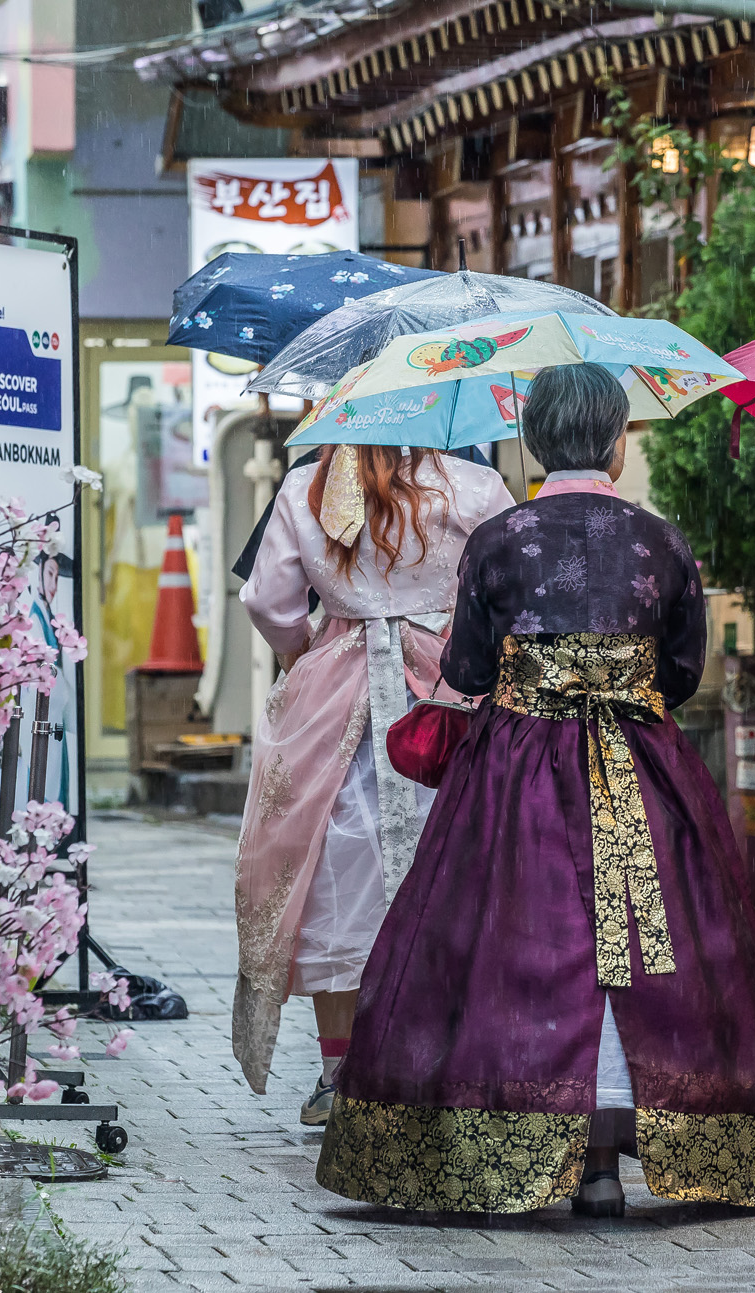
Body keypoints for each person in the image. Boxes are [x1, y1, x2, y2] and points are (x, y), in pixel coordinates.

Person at [317, 363, 755, 1216]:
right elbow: (683, 669)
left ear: (534, 443)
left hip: (516, 770)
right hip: (643, 769)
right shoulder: (661, 541)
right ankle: (622, 1146)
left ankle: (527, 1139)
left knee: (519, 936)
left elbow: (467, 667)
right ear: (617, 444)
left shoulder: (501, 538)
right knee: (649, 944)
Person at [232, 441, 512, 1124]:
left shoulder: (311, 485)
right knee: (453, 866)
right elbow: (507, 591)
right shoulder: (475, 484)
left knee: (333, 873)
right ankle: (438, 1060)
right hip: (441, 689)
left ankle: (339, 1069)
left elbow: (269, 601)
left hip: (334, 693)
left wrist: (311, 653)